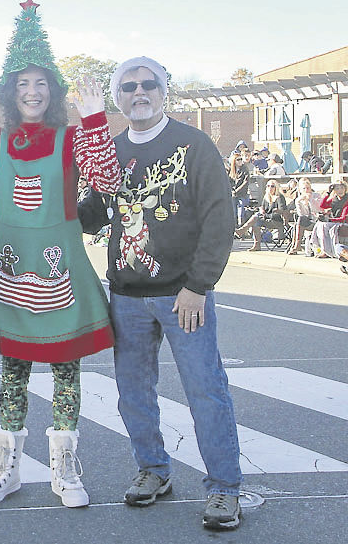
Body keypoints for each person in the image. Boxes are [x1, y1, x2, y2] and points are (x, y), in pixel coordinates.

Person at [0, 0, 119, 509]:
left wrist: (96, 118)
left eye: (40, 83)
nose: (31, 92)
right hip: (11, 267)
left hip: (61, 264)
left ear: (52, 91)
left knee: (65, 365)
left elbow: (107, 181)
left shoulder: (74, 138)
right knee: (13, 366)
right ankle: (6, 465)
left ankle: (64, 466)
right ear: (9, 92)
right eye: (21, 84)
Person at [106, 56, 242, 530]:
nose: (138, 93)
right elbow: (91, 212)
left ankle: (224, 488)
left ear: (165, 92)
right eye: (128, 86)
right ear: (116, 96)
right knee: (133, 393)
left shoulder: (195, 144)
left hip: (183, 295)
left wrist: (198, 286)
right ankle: (153, 469)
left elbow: (220, 221)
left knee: (205, 390)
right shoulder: (110, 150)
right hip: (126, 294)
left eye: (148, 84)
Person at [234, 179, 287, 250]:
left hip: (276, 221)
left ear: (276, 187)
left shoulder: (280, 197)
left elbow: (281, 211)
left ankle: (242, 231)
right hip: (266, 219)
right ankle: (256, 245)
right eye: (268, 186)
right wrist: (261, 209)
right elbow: (262, 207)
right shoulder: (266, 197)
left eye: (272, 186)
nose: (270, 188)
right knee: (256, 221)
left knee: (256, 217)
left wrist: (265, 215)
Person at [307, 181, 348, 258]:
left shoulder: (346, 200)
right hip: (335, 221)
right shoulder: (334, 200)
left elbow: (343, 218)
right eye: (337, 188)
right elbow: (322, 205)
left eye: (342, 188)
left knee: (324, 225)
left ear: (345, 189)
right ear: (334, 190)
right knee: (319, 224)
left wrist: (330, 220)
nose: (340, 190)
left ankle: (326, 251)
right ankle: (321, 248)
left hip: (344, 222)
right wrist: (328, 193)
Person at [289, 177, 322, 254]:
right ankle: (296, 245)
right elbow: (301, 214)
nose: (306, 190)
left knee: (298, 223)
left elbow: (318, 209)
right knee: (299, 221)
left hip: (316, 220)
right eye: (304, 188)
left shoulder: (317, 196)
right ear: (300, 190)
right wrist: (299, 202)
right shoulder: (299, 199)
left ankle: (296, 245)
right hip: (305, 221)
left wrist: (310, 200)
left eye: (308, 188)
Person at [227, 146, 250, 225]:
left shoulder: (245, 169)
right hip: (233, 195)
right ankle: (234, 228)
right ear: (234, 161)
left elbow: (245, 182)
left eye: (241, 159)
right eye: (238, 159)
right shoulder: (231, 170)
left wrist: (236, 191)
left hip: (242, 194)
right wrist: (231, 191)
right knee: (233, 212)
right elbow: (228, 181)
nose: (240, 161)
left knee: (241, 213)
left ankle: (242, 230)